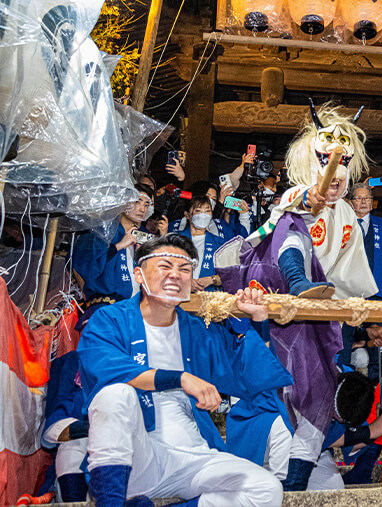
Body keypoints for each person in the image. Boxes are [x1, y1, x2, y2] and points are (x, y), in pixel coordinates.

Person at [217, 101, 381, 491]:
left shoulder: (347, 218)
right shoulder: (296, 198)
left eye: (344, 165)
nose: (336, 175)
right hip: (280, 305)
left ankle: (295, 488)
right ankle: (298, 280)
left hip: (322, 320)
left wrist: (371, 322)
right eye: (329, 163)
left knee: (318, 395)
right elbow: (290, 209)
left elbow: (355, 278)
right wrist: (307, 200)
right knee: (281, 393)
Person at [77, 234, 291, 507]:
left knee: (265, 488)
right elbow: (106, 370)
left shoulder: (195, 328)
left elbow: (240, 371)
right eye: (165, 266)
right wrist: (179, 378)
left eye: (185, 269)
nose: (175, 275)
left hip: (190, 450)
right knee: (115, 394)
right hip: (133, 455)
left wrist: (245, 320)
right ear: (139, 275)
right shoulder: (109, 319)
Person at [346, 182, 382, 374]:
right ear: (351, 202)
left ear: (372, 202)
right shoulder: (343, 224)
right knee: (349, 336)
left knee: (381, 338)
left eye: (367, 198)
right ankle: (347, 377)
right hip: (350, 291)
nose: (363, 202)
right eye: (359, 198)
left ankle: (378, 382)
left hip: (379, 289)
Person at [74, 184, 155, 308]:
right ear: (123, 202)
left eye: (146, 205)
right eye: (137, 202)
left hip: (134, 307)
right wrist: (119, 246)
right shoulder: (102, 232)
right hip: (105, 305)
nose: (142, 209)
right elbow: (84, 265)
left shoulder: (143, 238)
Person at [42, 350, 89, 502]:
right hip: (78, 456)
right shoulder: (73, 363)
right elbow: (51, 432)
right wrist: (100, 427)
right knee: (74, 445)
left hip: (125, 462)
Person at [174, 196, 225, 292]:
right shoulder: (175, 240)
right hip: (178, 296)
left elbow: (230, 275)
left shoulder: (219, 242)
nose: (203, 215)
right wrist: (185, 281)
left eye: (207, 211)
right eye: (198, 211)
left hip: (208, 298)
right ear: (187, 215)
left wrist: (211, 280)